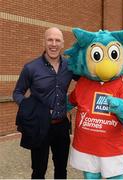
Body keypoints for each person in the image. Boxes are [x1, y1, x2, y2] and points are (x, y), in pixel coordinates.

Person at [13, 27, 77, 179]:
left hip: (61, 125)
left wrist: (119, 75)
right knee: (38, 171)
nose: (53, 44)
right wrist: (33, 109)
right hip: (39, 127)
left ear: (62, 44)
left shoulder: (70, 67)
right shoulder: (31, 68)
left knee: (61, 170)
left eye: (57, 40)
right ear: (44, 42)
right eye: (50, 39)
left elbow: (90, 78)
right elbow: (17, 93)